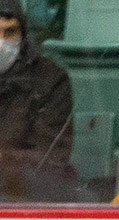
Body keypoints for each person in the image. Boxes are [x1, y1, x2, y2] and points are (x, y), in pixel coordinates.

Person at [0, 0, 76, 202]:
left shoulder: (50, 80)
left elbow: (49, 160)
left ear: (23, 36)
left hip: (25, 199)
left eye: (10, 33)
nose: (2, 43)